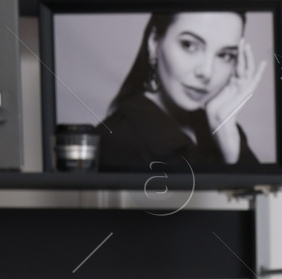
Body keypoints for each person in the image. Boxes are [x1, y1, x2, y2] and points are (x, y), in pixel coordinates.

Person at [97, 10, 267, 171]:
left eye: (224, 55)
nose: (207, 72)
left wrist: (229, 140)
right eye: (189, 45)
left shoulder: (224, 128)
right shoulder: (115, 141)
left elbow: (258, 198)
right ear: (154, 42)